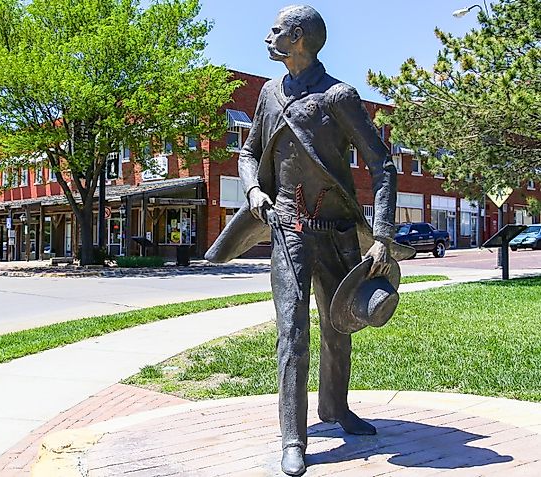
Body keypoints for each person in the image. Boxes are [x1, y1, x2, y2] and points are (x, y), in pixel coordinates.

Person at [204, 5, 411, 476]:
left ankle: (335, 409)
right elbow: (248, 152)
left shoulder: (338, 97)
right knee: (292, 335)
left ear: (298, 38)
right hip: (289, 231)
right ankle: (293, 437)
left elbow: (382, 165)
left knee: (339, 328)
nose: (268, 37)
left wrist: (381, 237)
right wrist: (254, 188)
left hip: (337, 236)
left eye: (276, 31)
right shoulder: (269, 94)